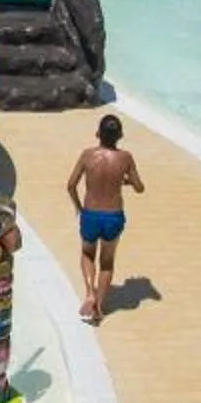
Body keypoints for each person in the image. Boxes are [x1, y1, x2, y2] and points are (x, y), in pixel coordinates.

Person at [67, 114, 145, 323]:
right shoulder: (125, 158)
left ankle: (90, 293)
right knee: (107, 262)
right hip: (113, 216)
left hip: (90, 214)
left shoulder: (87, 155)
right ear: (120, 135)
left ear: (98, 134)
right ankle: (99, 308)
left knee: (87, 253)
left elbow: (71, 185)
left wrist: (79, 207)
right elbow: (140, 188)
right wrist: (126, 180)